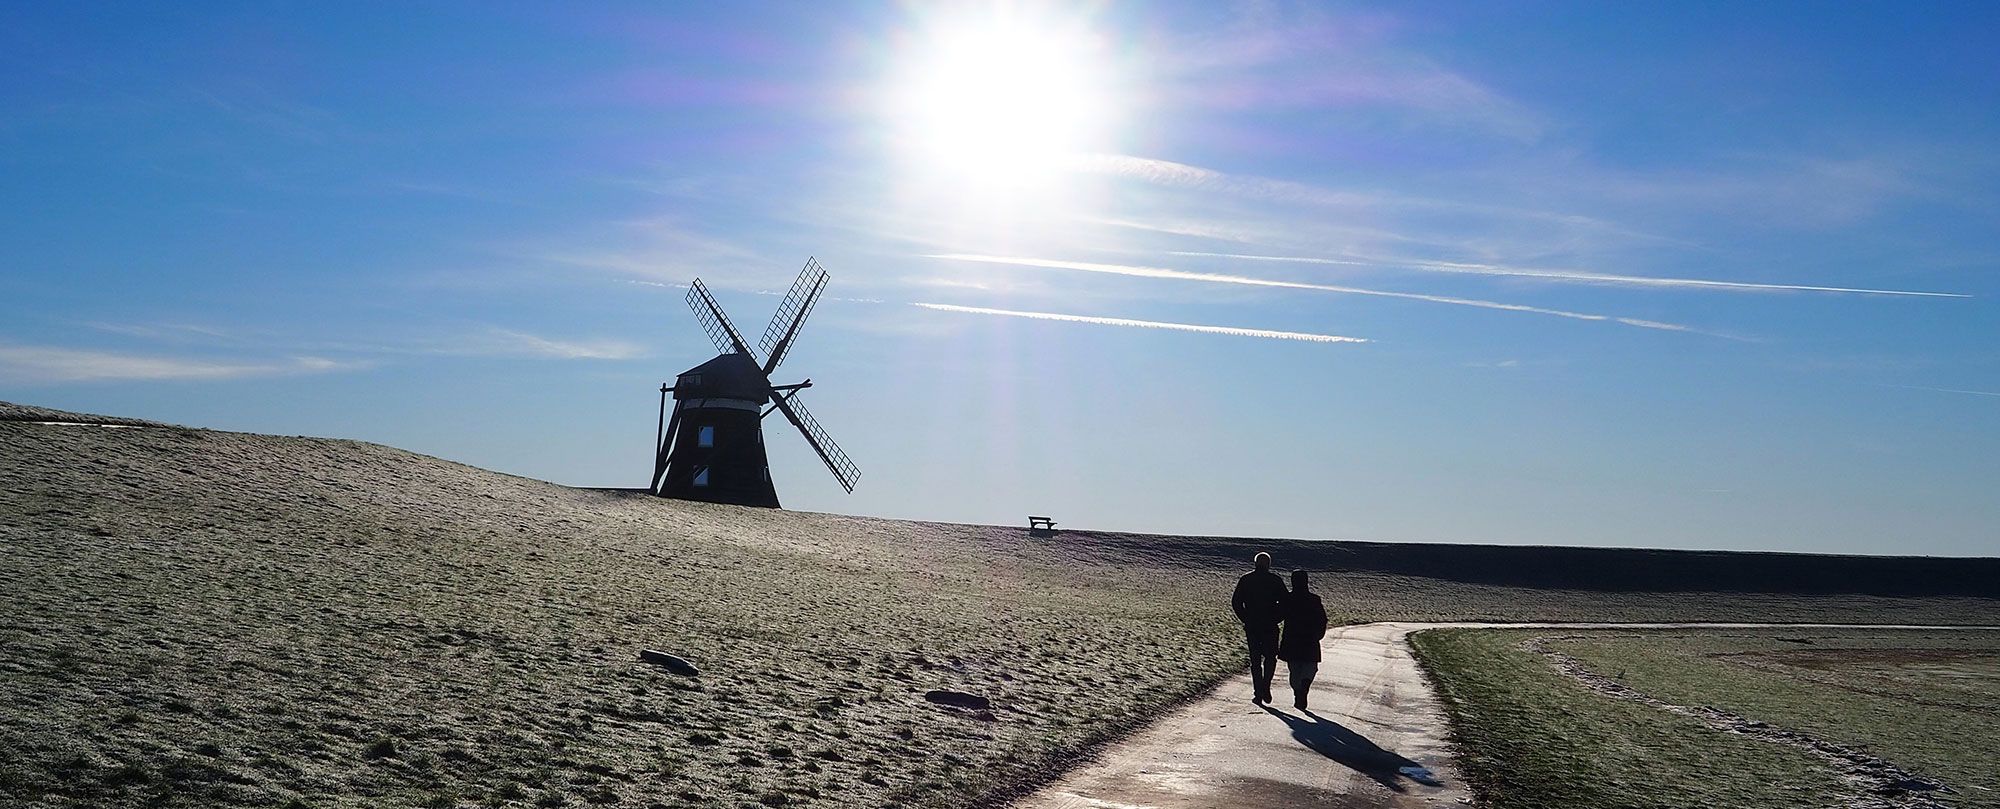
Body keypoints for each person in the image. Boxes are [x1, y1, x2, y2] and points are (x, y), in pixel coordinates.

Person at [1231, 551, 1288, 704]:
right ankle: (1265, 686)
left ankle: (1258, 692)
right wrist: (1277, 618)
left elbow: (1236, 602)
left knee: (1255, 660)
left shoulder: (1246, 580)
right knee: (1270, 658)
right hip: (1270, 625)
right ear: (1269, 564)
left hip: (1253, 625)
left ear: (1255, 563)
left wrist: (1245, 618)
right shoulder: (1275, 580)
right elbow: (1285, 603)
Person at [1277, 568, 1328, 710]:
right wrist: (1319, 634)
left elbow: (1278, 616)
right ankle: (1304, 688)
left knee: (1294, 669)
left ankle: (1298, 691)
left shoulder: (1287, 598)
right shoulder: (1314, 599)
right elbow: (1322, 619)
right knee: (1311, 667)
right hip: (1310, 639)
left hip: (1291, 639)